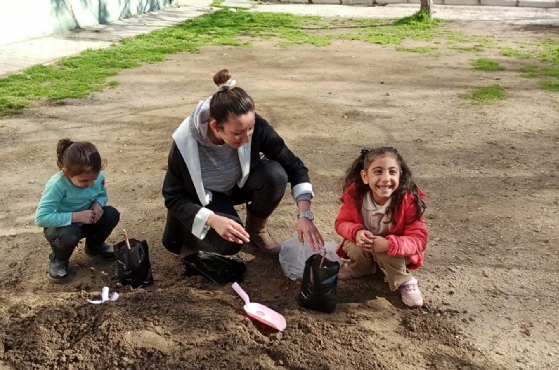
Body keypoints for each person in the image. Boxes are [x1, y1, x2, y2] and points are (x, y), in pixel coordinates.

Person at [162, 69, 324, 258]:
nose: (247, 137)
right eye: (238, 133)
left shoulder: (251, 127)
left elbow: (295, 166)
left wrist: (305, 215)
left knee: (275, 174)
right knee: (231, 242)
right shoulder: (185, 141)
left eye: (251, 128)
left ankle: (257, 230)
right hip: (206, 196)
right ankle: (190, 228)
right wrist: (212, 219)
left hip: (236, 185)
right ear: (215, 127)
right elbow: (172, 196)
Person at [334, 147, 428, 308]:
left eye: (392, 172)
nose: (386, 178)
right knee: (353, 246)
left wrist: (390, 245)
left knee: (386, 255)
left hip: (395, 252)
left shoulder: (409, 202)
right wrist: (356, 233)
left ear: (400, 175)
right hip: (367, 245)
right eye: (378, 172)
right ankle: (361, 269)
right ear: (365, 176)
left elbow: (419, 239)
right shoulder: (356, 197)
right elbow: (341, 223)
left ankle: (405, 280)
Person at [35, 139, 120, 283]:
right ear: (66, 172)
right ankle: (59, 260)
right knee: (70, 234)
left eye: (94, 178)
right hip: (62, 228)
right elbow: (42, 218)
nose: (90, 184)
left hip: (88, 220)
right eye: (84, 181)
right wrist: (76, 217)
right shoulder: (57, 185)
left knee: (111, 214)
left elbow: (101, 194)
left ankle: (95, 247)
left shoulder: (97, 178)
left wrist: (98, 205)